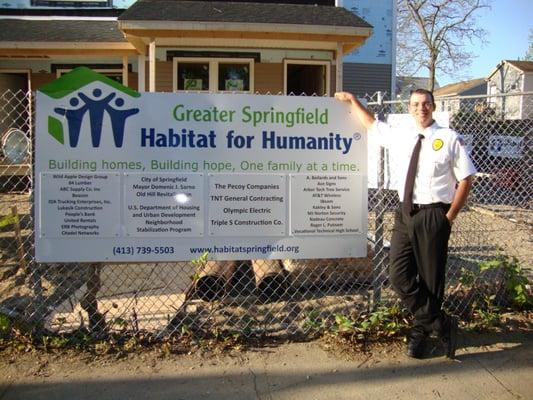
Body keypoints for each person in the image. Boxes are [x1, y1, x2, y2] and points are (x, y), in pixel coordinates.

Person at [335, 89, 476, 359]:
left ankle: (421, 333)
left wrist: (448, 218)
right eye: (415, 104)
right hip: (404, 214)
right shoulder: (401, 135)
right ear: (410, 108)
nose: (420, 108)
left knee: (431, 279)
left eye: (425, 104)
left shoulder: (448, 138)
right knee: (398, 276)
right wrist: (353, 100)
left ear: (433, 107)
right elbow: (371, 124)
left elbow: (466, 179)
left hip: (434, 214)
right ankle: (441, 322)